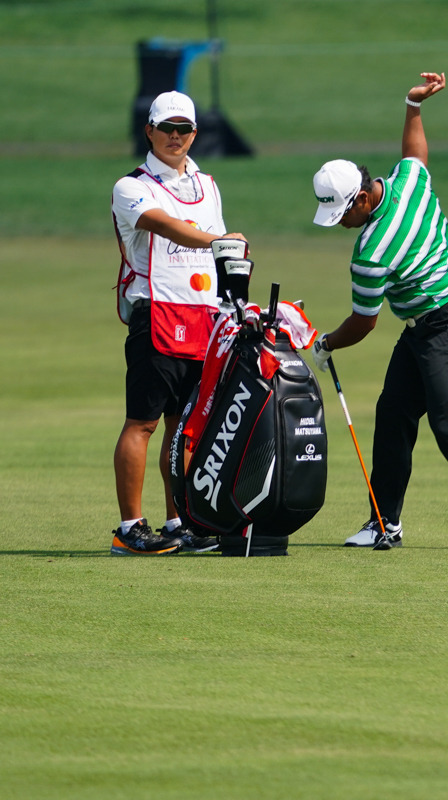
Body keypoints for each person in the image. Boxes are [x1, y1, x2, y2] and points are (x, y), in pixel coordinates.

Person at [310, 72, 448, 551]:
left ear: (362, 198)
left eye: (343, 213)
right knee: (392, 418)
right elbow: (415, 154)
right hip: (425, 326)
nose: (341, 224)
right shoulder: (408, 183)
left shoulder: (370, 251)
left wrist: (324, 344)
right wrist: (413, 104)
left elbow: (364, 323)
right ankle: (385, 523)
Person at [110, 90, 248, 555]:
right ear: (148, 130)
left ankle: (179, 523)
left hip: (203, 316)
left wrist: (235, 303)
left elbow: (221, 258)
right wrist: (219, 240)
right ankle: (130, 528)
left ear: (194, 133)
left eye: (183, 129)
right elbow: (165, 226)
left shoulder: (208, 184)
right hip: (155, 313)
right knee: (143, 423)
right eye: (166, 128)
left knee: (185, 427)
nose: (175, 137)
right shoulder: (132, 186)